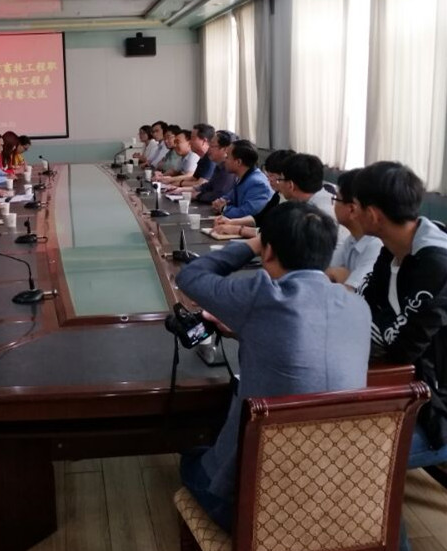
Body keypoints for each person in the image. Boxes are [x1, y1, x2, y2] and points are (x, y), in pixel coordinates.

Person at [176, 201, 370, 532]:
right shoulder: (357, 306)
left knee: (192, 458)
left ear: (268, 252)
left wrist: (253, 242)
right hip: (342, 490)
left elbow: (190, 275)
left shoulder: (261, 294)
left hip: (261, 506)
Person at [352, 161, 447, 551]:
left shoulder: (436, 265)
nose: (350, 212)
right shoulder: (392, 252)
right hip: (405, 388)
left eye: (354, 206)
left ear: (373, 215)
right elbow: (365, 310)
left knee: (354, 460)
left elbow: (401, 353)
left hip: (435, 406)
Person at [273, 153, 349, 250]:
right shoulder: (322, 198)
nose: (278, 183)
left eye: (280, 179)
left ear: (290, 185)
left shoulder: (318, 214)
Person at [213, 149, 295, 237]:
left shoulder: (295, 206)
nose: (268, 179)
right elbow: (259, 218)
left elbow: (273, 233)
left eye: (272, 176)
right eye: (268, 175)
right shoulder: (278, 195)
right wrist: (231, 222)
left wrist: (238, 229)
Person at [326, 169, 382, 290]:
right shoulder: (353, 239)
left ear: (352, 209)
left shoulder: (376, 247)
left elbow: (351, 293)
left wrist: (340, 278)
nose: (333, 204)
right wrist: (335, 275)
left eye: (336, 199)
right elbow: (324, 273)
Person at [211, 139, 272, 219]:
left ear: (238, 162)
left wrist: (223, 208)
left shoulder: (257, 183)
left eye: (227, 157)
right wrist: (219, 202)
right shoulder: (243, 177)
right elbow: (229, 198)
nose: (224, 159)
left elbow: (246, 214)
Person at [180, 130, 237, 204]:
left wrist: (197, 196)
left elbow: (218, 195)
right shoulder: (219, 166)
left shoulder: (229, 169)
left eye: (212, 146)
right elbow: (208, 186)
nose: (208, 149)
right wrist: (182, 190)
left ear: (225, 149)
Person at [164, 123, 216, 189]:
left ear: (204, 141)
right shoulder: (203, 157)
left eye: (193, 138)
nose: (190, 142)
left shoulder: (211, 158)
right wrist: (174, 183)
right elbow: (194, 178)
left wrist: (180, 184)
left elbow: (201, 183)